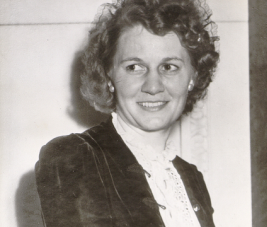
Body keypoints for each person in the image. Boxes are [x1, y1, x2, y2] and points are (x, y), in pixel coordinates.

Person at [35, 0, 219, 226]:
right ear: (109, 76)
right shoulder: (75, 158)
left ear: (192, 77)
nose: (153, 86)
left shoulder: (191, 178)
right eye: (134, 67)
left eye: (169, 67)